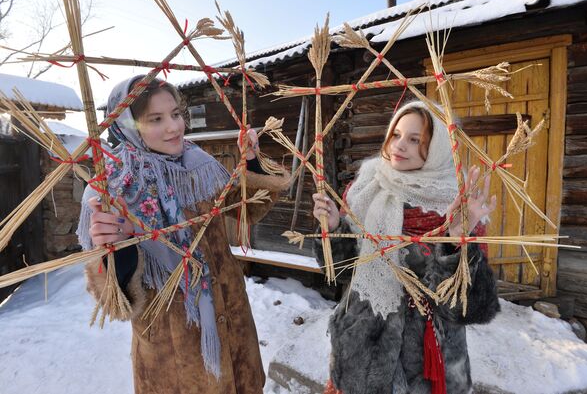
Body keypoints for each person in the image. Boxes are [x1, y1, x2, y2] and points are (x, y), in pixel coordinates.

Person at [77, 75, 290, 394]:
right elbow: (115, 299)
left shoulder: (199, 165)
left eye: (176, 114)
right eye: (156, 119)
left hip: (232, 324)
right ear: (128, 126)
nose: (174, 127)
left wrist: (250, 163)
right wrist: (118, 246)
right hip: (173, 349)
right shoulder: (112, 191)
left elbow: (246, 209)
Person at [312, 100, 500, 394]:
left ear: (437, 148)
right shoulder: (365, 188)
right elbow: (338, 272)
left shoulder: (459, 204)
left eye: (415, 140)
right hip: (364, 349)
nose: (400, 146)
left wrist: (454, 242)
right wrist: (335, 228)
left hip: (429, 359)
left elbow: (470, 307)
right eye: (396, 135)